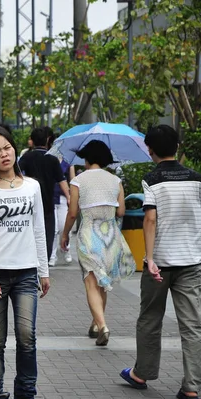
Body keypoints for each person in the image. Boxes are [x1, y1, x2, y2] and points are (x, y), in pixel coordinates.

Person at [120, 125, 201, 399]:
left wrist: (150, 259)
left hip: (160, 264)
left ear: (150, 150)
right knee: (192, 325)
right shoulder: (196, 178)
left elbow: (150, 218)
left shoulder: (152, 179)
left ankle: (141, 373)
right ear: (177, 147)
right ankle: (191, 387)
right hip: (191, 261)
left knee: (150, 319)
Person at [0, 127, 50, 399]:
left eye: (7, 147)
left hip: (27, 272)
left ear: (14, 149)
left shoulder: (32, 186)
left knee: (27, 336)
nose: (3, 154)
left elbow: (39, 229)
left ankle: (26, 391)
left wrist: (43, 270)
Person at [60, 140, 135, 346]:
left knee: (91, 283)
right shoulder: (115, 180)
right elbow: (121, 212)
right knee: (103, 283)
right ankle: (95, 323)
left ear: (87, 158)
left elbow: (73, 213)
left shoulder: (78, 181)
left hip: (89, 234)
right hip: (111, 236)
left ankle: (103, 326)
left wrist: (65, 234)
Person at [18, 127, 70, 261]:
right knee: (47, 235)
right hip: (48, 203)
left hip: (29, 203)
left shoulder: (26, 157)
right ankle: (44, 262)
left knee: (30, 233)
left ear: (32, 140)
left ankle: (31, 261)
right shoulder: (52, 159)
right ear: (47, 140)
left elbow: (16, 174)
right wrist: (69, 197)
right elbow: (61, 180)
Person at [49, 158, 75, 266]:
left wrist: (72, 197)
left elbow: (73, 180)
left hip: (63, 197)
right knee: (53, 229)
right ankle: (52, 256)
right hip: (50, 196)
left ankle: (66, 249)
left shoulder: (68, 162)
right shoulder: (49, 159)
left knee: (63, 227)